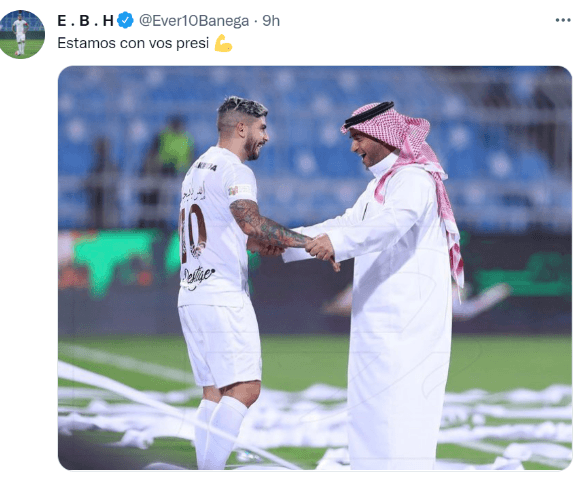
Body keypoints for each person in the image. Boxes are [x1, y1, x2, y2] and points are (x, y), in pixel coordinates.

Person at [282, 102, 464, 470]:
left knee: (400, 419)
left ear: (383, 136)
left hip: (405, 326)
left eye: (359, 138)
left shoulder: (414, 180)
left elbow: (389, 226)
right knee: (369, 419)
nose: (353, 147)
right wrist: (284, 240)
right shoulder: (380, 187)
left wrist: (337, 244)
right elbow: (346, 224)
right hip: (377, 323)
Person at [177, 96, 338, 470]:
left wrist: (253, 243)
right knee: (245, 389)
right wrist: (308, 242)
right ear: (241, 128)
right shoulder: (235, 170)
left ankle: (205, 470)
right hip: (222, 295)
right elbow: (250, 221)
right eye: (262, 128)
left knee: (214, 393)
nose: (266, 136)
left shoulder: (197, 168)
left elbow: (222, 228)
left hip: (191, 293)